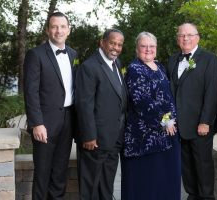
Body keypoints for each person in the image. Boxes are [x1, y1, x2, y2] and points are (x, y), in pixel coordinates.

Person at [23, 12, 77, 199]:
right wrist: (36, 123)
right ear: (47, 30)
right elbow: (30, 92)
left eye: (62, 26)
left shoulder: (73, 54)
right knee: (43, 173)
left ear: (68, 30)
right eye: (54, 26)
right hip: (45, 123)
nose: (58, 30)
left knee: (60, 172)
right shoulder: (35, 54)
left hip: (68, 121)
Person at [121, 32, 181, 200]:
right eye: (143, 46)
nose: (148, 49)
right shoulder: (135, 69)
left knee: (165, 181)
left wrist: (172, 119)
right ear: (136, 49)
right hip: (144, 136)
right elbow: (142, 101)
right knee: (146, 183)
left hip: (167, 134)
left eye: (152, 46)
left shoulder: (160, 66)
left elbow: (167, 97)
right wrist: (166, 121)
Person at [166, 23, 217, 200]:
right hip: (179, 126)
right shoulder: (173, 59)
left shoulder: (209, 59)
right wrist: (169, 119)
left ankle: (206, 197)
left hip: (200, 125)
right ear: (177, 39)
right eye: (182, 35)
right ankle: (192, 195)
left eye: (189, 35)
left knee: (203, 166)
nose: (185, 38)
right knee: (187, 166)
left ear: (198, 37)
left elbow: (212, 92)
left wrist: (206, 121)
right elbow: (170, 91)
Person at [75, 28, 127, 200]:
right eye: (113, 43)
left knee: (106, 185)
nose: (116, 47)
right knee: (90, 187)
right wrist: (89, 136)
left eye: (119, 44)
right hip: (95, 140)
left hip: (114, 138)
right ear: (102, 42)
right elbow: (84, 104)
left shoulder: (116, 64)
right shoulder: (89, 67)